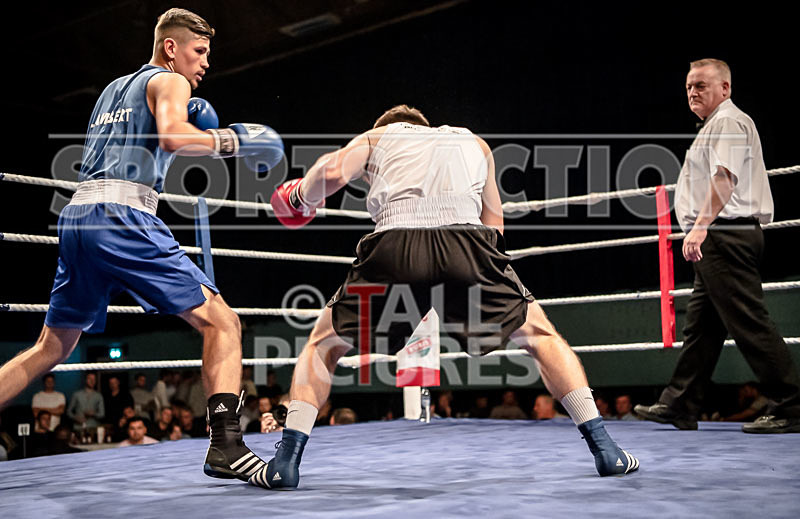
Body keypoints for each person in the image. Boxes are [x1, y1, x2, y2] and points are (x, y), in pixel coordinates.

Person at [248, 105, 639, 490]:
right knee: (542, 336)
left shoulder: (379, 135)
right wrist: (475, 279)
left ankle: (285, 463)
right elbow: (495, 226)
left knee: (322, 345)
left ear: (391, 127)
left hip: (394, 244)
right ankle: (605, 448)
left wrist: (299, 197)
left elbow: (332, 171)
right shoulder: (473, 142)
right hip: (469, 244)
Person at [0, 8, 283, 480]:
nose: (205, 63)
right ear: (171, 48)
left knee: (50, 347)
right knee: (224, 324)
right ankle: (227, 446)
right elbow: (173, 138)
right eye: (200, 51)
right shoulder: (170, 82)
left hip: (79, 217)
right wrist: (232, 141)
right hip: (123, 216)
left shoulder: (113, 91)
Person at [635, 59, 800, 434]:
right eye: (690, 86)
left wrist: (699, 227)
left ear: (725, 88)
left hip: (724, 234)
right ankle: (681, 403)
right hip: (721, 235)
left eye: (702, 86)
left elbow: (725, 179)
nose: (693, 92)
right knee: (703, 328)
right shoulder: (717, 124)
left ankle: (792, 405)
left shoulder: (727, 121)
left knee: (748, 322)